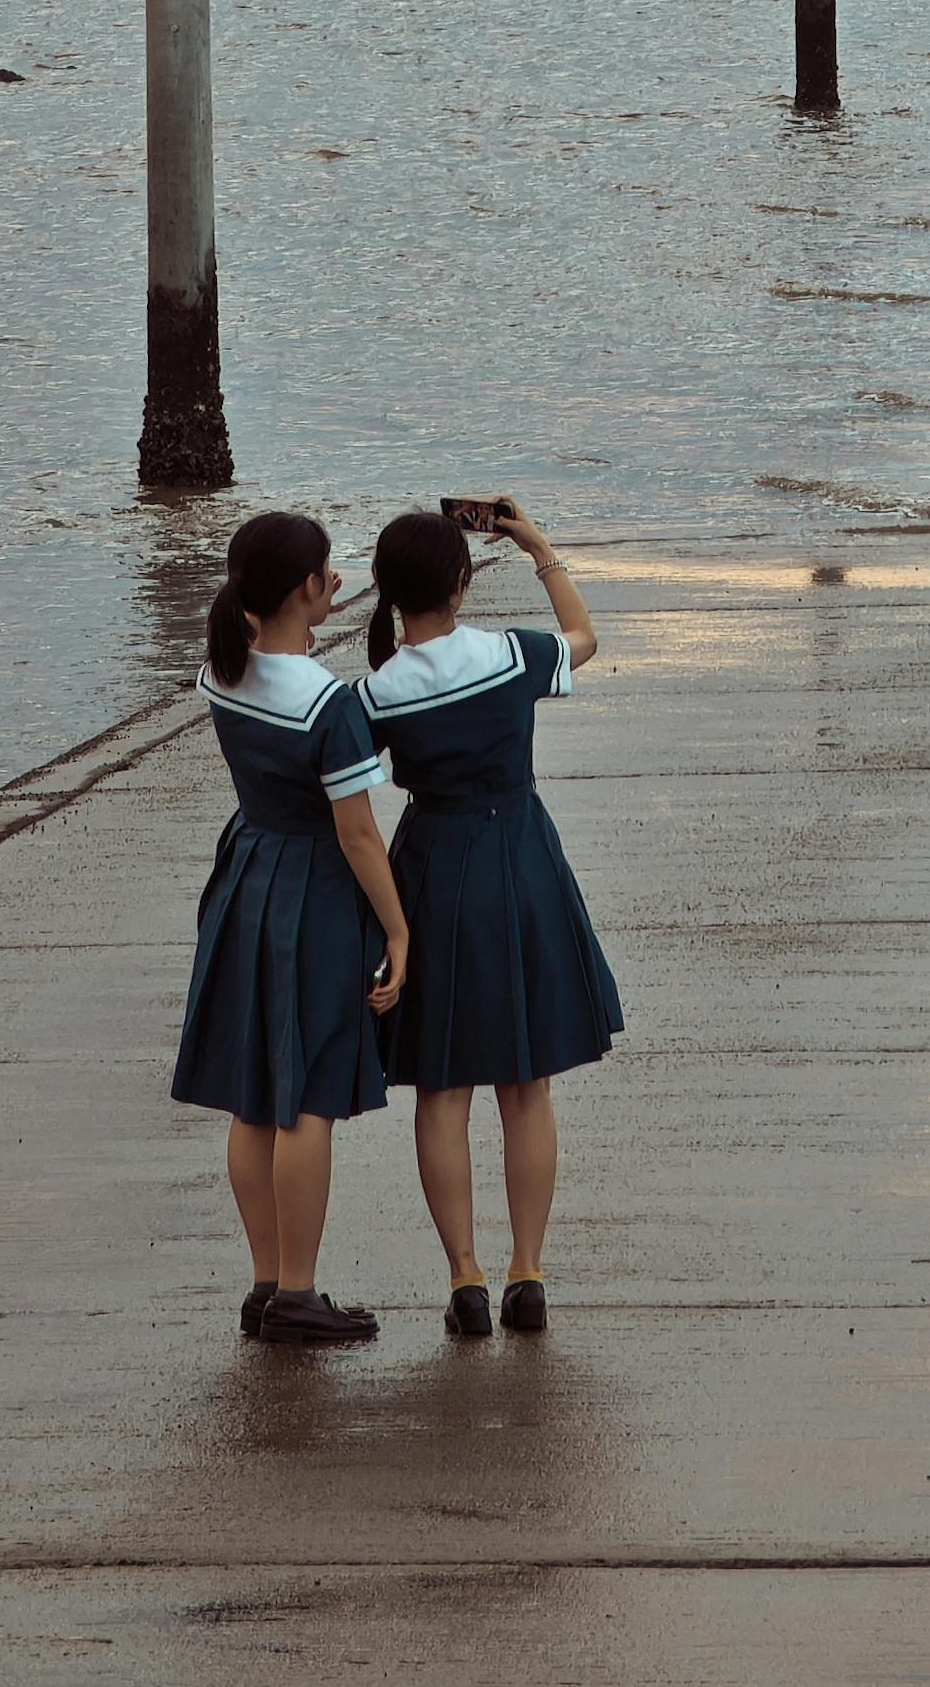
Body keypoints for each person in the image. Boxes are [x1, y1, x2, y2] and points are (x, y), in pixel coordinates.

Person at [363, 500, 621, 1337]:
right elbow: (584, 638)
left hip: (432, 865)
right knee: (526, 1081)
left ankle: (464, 1277)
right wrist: (537, 541)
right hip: (519, 857)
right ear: (464, 580)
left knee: (441, 1087)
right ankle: (529, 1270)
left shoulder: (375, 692)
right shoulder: (510, 654)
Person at [172, 510, 409, 1349]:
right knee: (308, 1092)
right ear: (305, 589)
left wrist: (298, 605)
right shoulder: (329, 705)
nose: (336, 580)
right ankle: (302, 1293)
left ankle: (267, 1281)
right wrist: (398, 928)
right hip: (311, 887)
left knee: (253, 1094)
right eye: (326, 572)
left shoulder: (221, 673)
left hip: (247, 875)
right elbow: (356, 832)